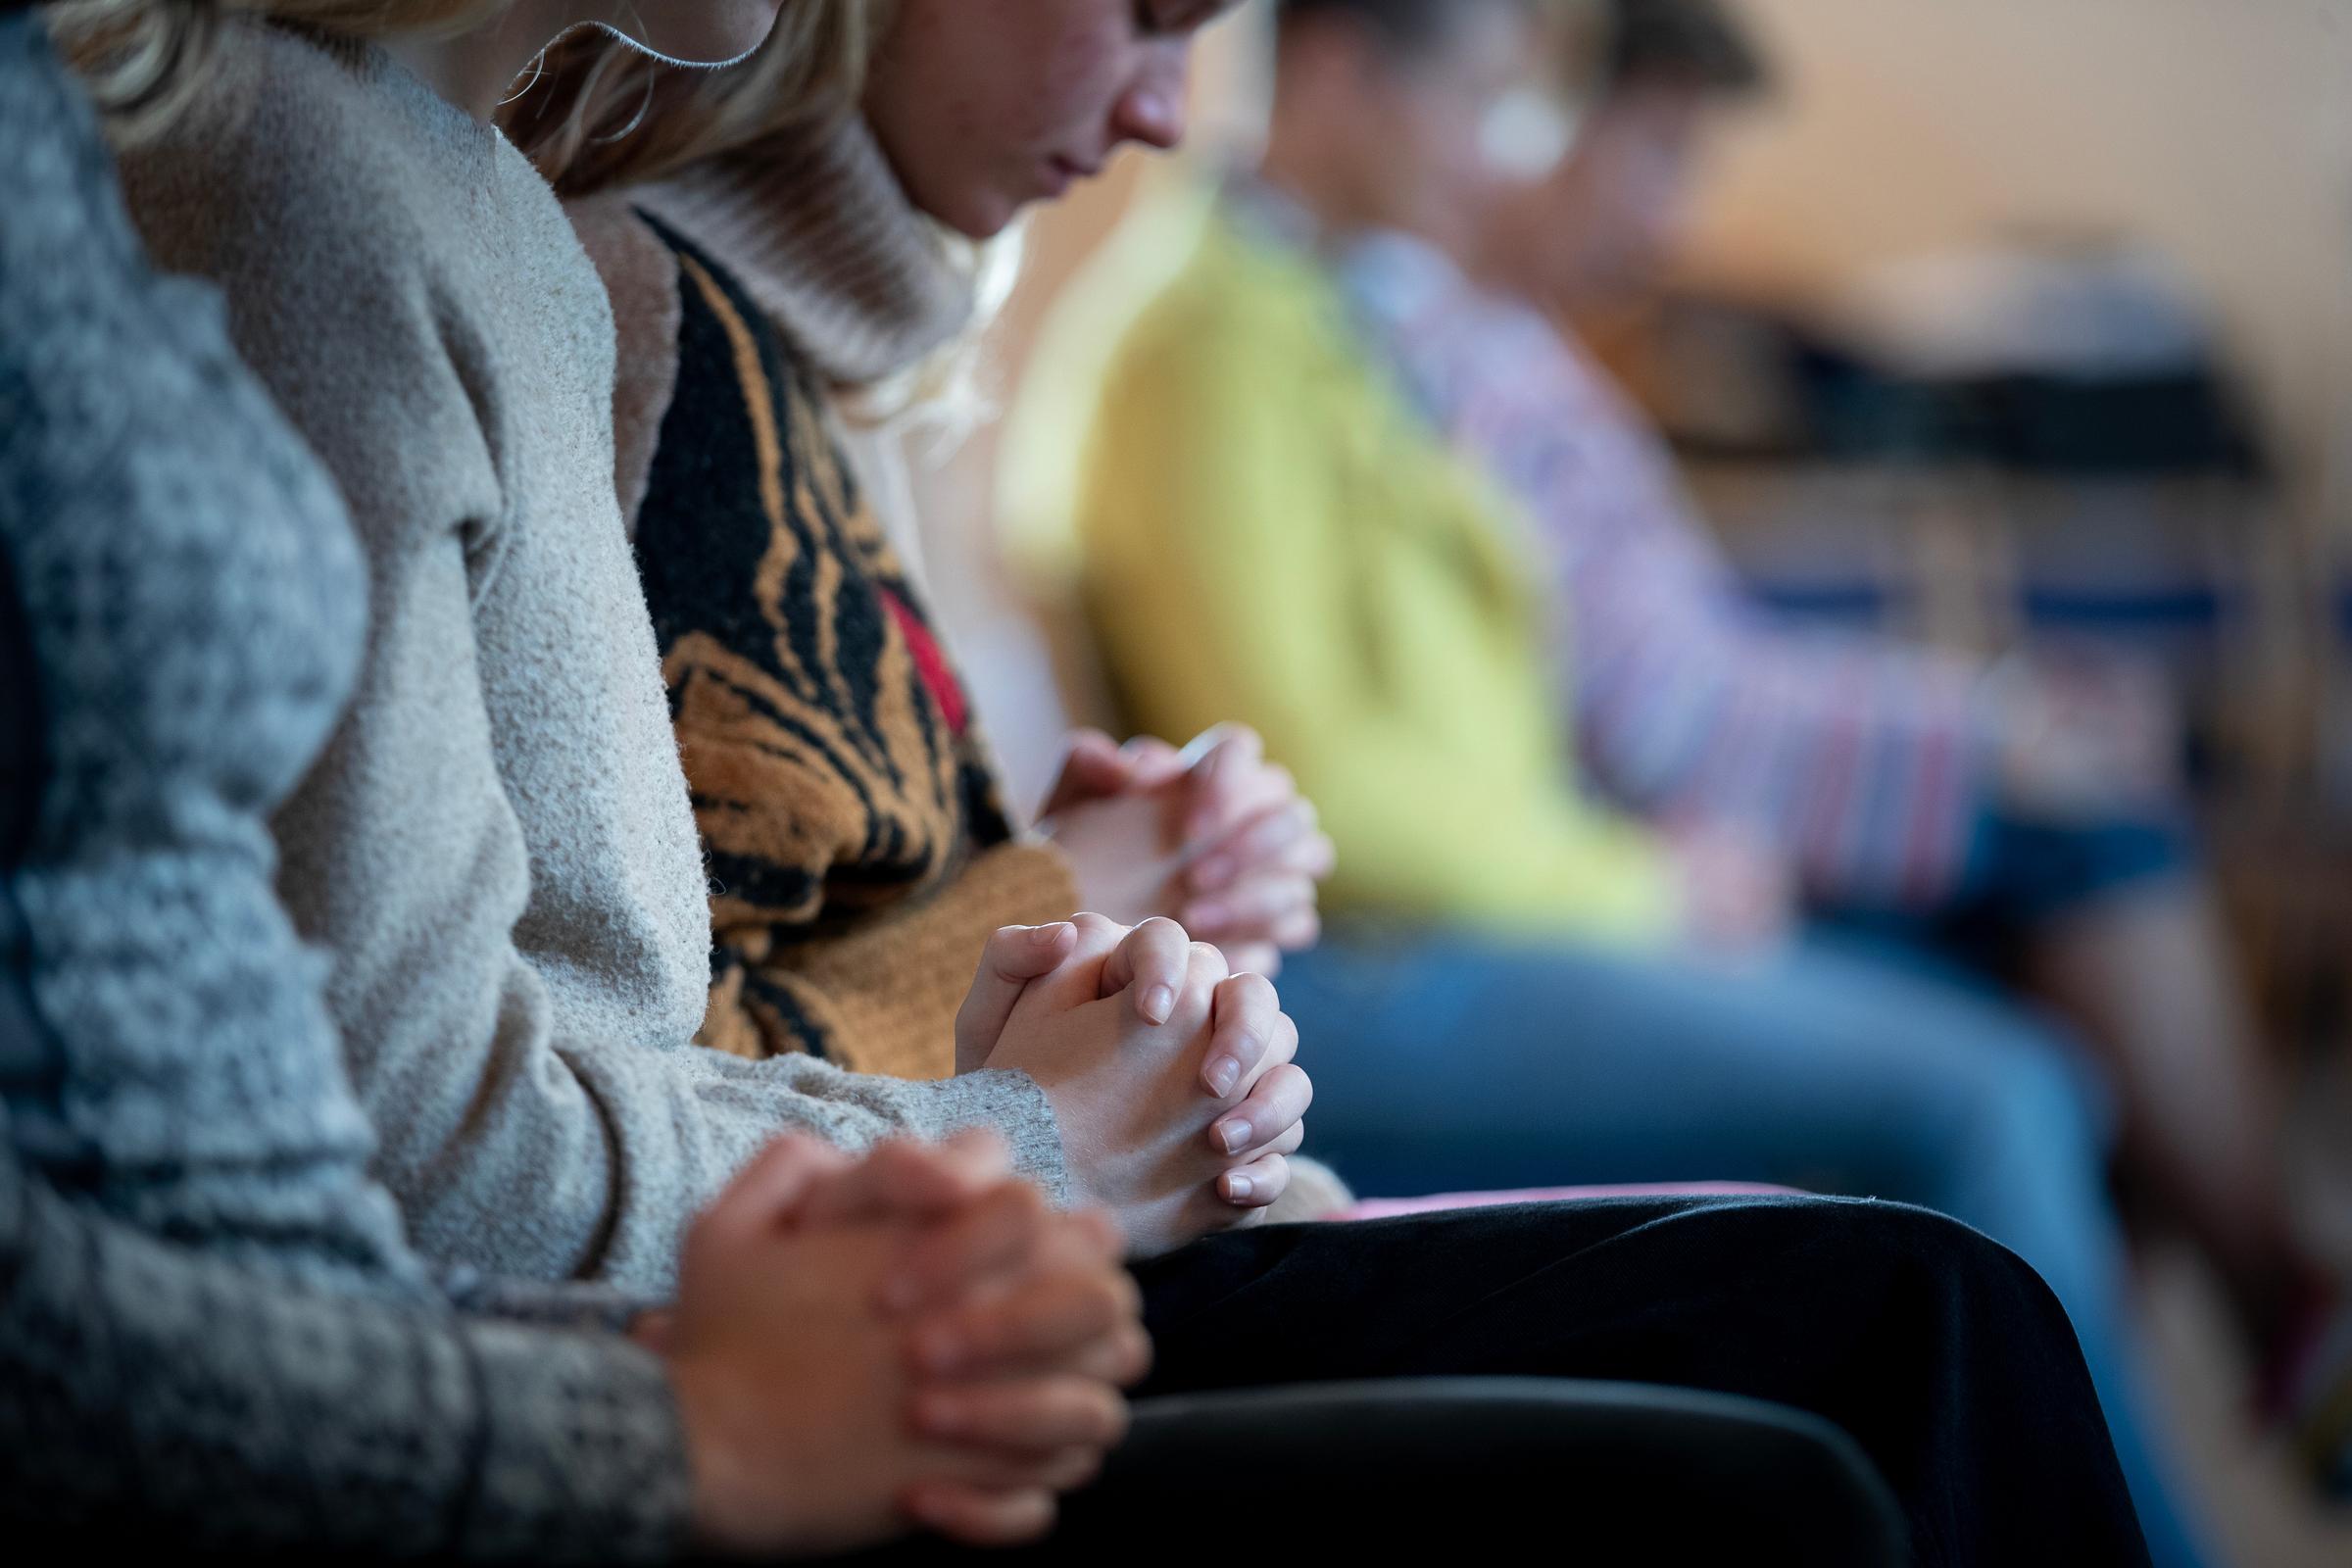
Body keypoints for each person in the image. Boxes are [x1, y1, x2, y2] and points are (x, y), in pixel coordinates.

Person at [82, 1, 2162, 1556]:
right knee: (1916, 1246)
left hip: (912, 1200)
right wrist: (1034, 1108)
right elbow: (466, 1126)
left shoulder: (510, 239)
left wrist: (1068, 1030)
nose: (1169, 100)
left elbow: (699, 1002)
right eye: (1144, 9)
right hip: (774, 1297)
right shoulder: (401, 230)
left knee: (1930, 1297)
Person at [1038, 0, 2215, 1556]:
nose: (1496, 152)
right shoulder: (1207, 349)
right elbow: (1337, 804)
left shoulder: (1340, 320)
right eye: (1476, 101)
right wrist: (1646, 885)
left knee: (2017, 1014)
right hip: (1376, 973)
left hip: (1488, 916)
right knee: (1992, 1094)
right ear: (1335, 74)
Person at [0, 8, 1149, 1554]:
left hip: (531, 1356)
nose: (1168, 109)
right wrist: (1021, 1148)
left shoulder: (502, 227)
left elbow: (581, 1049)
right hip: (450, 1405)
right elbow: (425, 1147)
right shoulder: (287, 172)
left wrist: (996, 1131)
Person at [1423, 0, 2344, 1442]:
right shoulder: (1456, 364)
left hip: (1690, 815)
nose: (1673, 219)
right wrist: (1984, 735)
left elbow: (1702, 660)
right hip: (1658, 847)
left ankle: (2168, 1375)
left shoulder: (1525, 354)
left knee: (2071, 916)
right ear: (1540, 123)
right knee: (2084, 842)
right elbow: (1671, 712)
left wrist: (1987, 714)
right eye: (1658, 155)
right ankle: (2274, 1316)